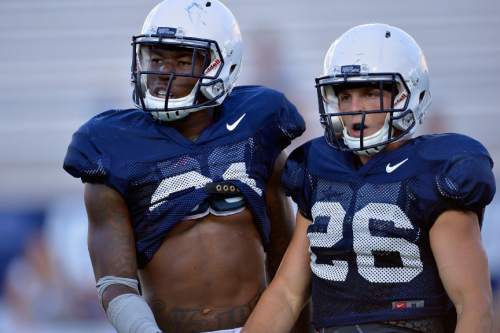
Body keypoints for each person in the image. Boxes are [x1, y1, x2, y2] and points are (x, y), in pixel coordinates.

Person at [63, 1, 306, 332]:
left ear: (220, 65)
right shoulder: (109, 146)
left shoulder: (256, 125)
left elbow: (283, 253)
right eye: (156, 58)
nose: (163, 73)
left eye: (181, 60)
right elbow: (115, 282)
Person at [243, 23, 496, 333]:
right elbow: (286, 293)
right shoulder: (319, 170)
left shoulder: (436, 171)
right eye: (345, 96)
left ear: (405, 94)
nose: (354, 109)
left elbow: (473, 304)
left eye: (368, 94)